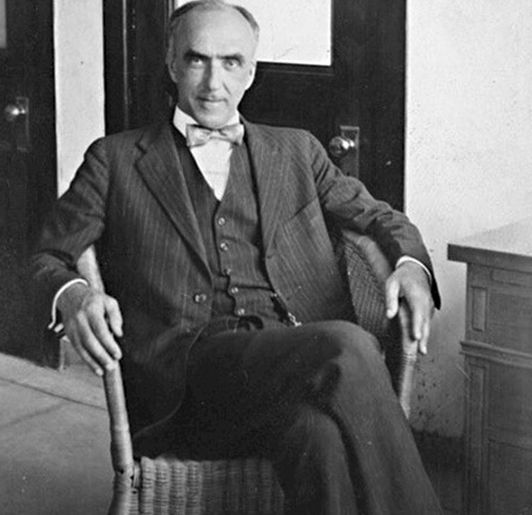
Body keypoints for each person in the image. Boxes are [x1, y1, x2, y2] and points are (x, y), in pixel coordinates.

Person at [31, 1, 443, 513]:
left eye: (230, 62)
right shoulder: (114, 160)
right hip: (188, 387)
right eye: (197, 59)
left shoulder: (298, 151)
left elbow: (382, 218)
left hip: (289, 370)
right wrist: (73, 294)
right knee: (347, 345)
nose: (213, 83)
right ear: (172, 64)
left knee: (317, 435)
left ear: (250, 72)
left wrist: (411, 266)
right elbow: (44, 258)